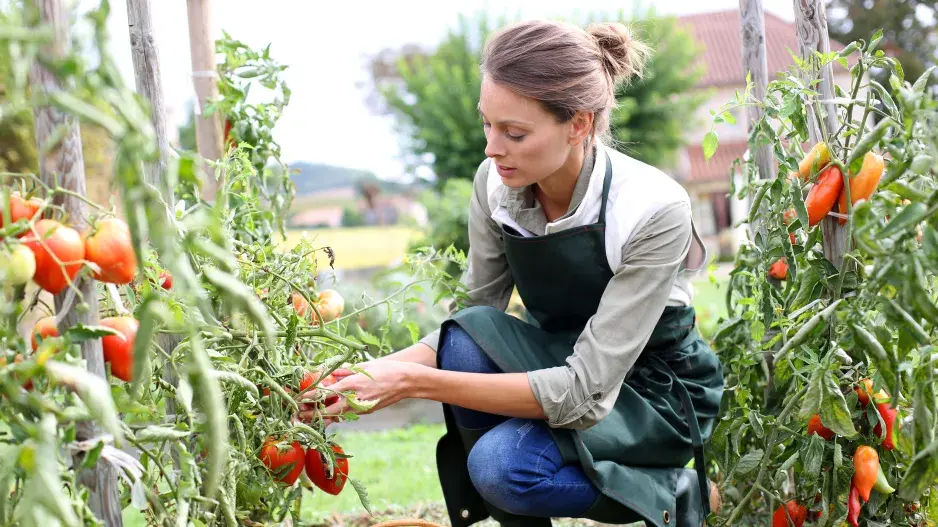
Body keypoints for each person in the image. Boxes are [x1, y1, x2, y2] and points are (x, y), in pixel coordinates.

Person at [301, 19, 724, 527]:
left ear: (579, 124)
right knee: (465, 336)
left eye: (515, 133)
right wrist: (368, 376)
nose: (491, 148)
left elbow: (582, 394)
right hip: (560, 357)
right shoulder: (495, 185)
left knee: (502, 467)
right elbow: (475, 319)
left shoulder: (653, 209)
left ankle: (671, 490)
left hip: (652, 393)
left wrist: (413, 381)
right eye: (487, 124)